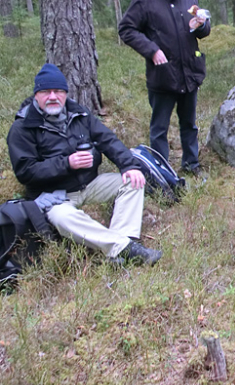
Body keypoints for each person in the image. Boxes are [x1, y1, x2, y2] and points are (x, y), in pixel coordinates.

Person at [6, 64, 162, 265]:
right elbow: (25, 172)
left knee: (133, 181)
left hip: (88, 184)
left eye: (58, 91)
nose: (53, 96)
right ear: (37, 95)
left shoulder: (79, 114)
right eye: (46, 92)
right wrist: (67, 163)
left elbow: (108, 140)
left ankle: (124, 244)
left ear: (65, 93)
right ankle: (124, 248)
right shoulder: (22, 127)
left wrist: (129, 166)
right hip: (53, 196)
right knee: (63, 218)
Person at [119, 0, 211, 177]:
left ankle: (191, 164)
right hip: (163, 75)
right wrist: (151, 50)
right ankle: (162, 170)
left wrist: (201, 25)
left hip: (189, 72)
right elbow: (126, 29)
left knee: (189, 124)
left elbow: (203, 32)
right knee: (159, 129)